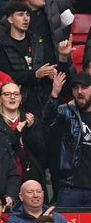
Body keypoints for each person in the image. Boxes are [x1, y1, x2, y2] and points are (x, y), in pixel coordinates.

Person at [43, 71, 91, 206]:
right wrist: (54, 95)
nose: (79, 92)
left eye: (84, 87)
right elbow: (47, 121)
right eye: (76, 88)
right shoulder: (66, 110)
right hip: (70, 186)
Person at [0, 81, 46, 185]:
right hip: (4, 175)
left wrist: (30, 130)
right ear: (0, 98)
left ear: (20, 98)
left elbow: (40, 150)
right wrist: (16, 133)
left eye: (16, 94)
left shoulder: (30, 119)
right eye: (7, 94)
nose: (12, 97)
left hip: (30, 175)